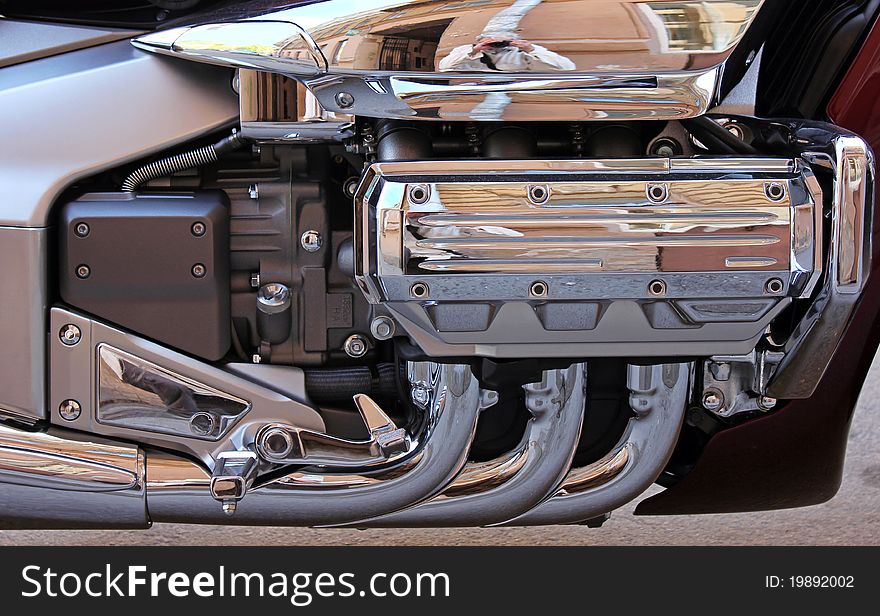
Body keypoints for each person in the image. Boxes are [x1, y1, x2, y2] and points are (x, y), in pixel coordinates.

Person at [438, 31, 575, 72]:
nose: (495, 43)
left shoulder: (521, 54)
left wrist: (531, 49)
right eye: (491, 39)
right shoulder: (466, 51)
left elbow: (567, 67)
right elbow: (443, 66)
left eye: (500, 41)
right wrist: (474, 51)